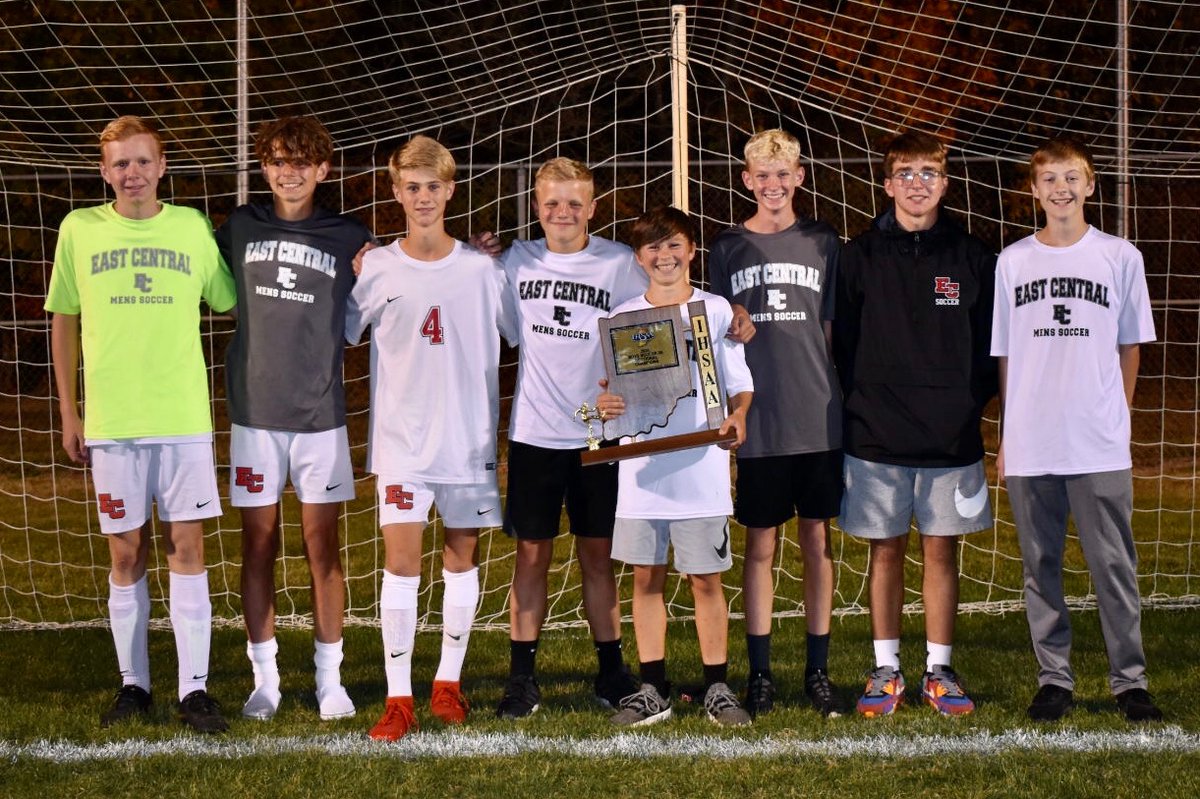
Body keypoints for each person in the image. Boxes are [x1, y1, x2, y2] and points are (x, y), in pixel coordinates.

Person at [45, 115, 236, 733]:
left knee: (188, 548)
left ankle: (195, 690)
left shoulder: (189, 226)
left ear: (162, 167)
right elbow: (64, 320)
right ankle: (135, 685)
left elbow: (230, 298)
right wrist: (70, 411)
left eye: (143, 161)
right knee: (125, 554)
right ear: (105, 172)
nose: (132, 173)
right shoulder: (80, 229)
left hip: (181, 417)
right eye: (120, 163)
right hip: (114, 422)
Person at [345, 134, 517, 741]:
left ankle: (447, 683)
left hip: (467, 444)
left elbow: (524, 334)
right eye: (411, 187)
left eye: (433, 187)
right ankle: (398, 698)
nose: (422, 198)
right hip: (399, 446)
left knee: (461, 559)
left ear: (450, 190)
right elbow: (343, 329)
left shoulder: (482, 270)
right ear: (395, 192)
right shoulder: (378, 267)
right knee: (401, 565)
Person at [991, 136, 1161, 723]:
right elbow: (1006, 354)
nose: (1061, 189)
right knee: (1040, 566)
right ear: (1034, 190)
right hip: (1034, 440)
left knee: (1113, 564)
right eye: (1050, 179)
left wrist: (1120, 412)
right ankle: (1054, 679)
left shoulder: (1120, 256)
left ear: (1090, 186)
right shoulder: (1011, 261)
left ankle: (1129, 681)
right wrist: (1009, 436)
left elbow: (1130, 345)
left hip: (1097, 439)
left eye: (1072, 178)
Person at [833, 130, 997, 717]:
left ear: (946, 183)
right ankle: (886, 668)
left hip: (950, 437)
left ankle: (939, 669)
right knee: (884, 553)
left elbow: (989, 348)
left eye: (929, 173)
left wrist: (964, 404)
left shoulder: (975, 257)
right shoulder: (856, 256)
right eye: (906, 173)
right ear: (886, 183)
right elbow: (842, 344)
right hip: (875, 433)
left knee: (940, 553)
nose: (917, 184)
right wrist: (866, 401)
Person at [218, 115, 372, 722]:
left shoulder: (349, 235)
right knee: (256, 546)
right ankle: (265, 680)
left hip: (321, 417)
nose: (290, 171)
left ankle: (330, 679)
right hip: (254, 416)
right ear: (263, 166)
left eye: (302, 161)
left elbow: (396, 281)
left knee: (322, 548)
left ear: (323, 169)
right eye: (278, 160)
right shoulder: (238, 227)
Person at [484, 158, 646, 719]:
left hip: (599, 437)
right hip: (534, 434)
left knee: (598, 557)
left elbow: (656, 318)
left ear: (593, 207)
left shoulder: (621, 264)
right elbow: (499, 324)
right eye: (551, 203)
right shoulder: (515, 262)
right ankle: (522, 678)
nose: (563, 213)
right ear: (536, 206)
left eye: (574, 203)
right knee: (531, 556)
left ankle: (611, 672)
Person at [595, 205, 755, 727]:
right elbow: (603, 399)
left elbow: (739, 382)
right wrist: (601, 409)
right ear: (639, 258)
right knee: (646, 578)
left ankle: (717, 687)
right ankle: (652, 687)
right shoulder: (622, 319)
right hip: (641, 473)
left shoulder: (715, 310)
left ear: (691, 249)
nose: (664, 256)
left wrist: (739, 417)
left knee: (706, 580)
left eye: (674, 244)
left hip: (702, 468)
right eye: (653, 247)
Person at [707, 129, 843, 717]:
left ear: (800, 177)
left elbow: (832, 329)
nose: (774, 184)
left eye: (783, 173)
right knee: (759, 546)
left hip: (816, 415)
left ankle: (818, 669)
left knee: (817, 540)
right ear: (747, 180)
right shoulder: (727, 247)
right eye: (763, 174)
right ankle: (759, 673)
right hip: (757, 420)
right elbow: (709, 328)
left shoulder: (823, 241)